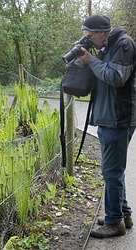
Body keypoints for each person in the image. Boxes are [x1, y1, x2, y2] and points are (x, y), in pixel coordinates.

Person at [78, 15, 136, 238]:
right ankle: (123, 214)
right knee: (113, 171)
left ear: (102, 32)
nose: (89, 41)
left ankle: (114, 223)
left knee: (111, 171)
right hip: (108, 117)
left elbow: (115, 77)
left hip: (118, 118)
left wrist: (91, 61)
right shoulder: (107, 46)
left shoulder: (124, 44)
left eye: (90, 37)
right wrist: (88, 59)